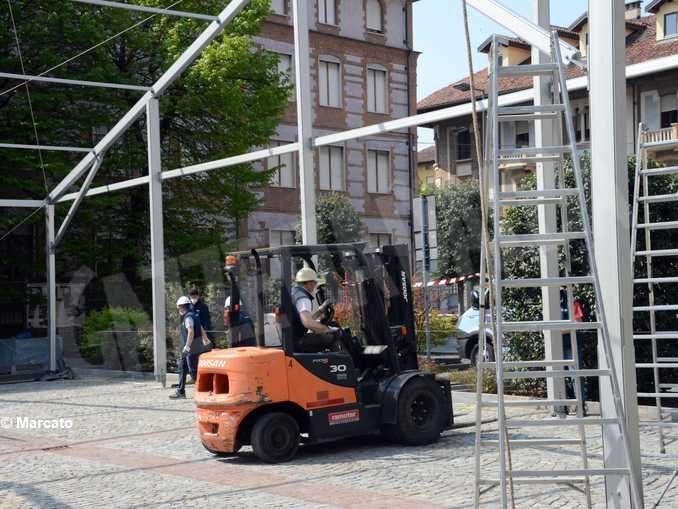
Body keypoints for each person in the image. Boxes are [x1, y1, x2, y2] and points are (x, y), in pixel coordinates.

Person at [170, 296, 210, 399]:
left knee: (193, 371)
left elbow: (191, 331)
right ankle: (181, 391)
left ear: (182, 307)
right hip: (190, 347)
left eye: (178, 308)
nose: (178, 310)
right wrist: (206, 340)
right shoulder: (194, 315)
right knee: (182, 368)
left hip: (191, 348)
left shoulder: (188, 317)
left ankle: (205, 391)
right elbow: (200, 328)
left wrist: (187, 346)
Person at [292, 267, 335, 336]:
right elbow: (307, 322)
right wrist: (327, 330)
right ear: (309, 283)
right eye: (315, 282)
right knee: (333, 338)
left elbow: (304, 318)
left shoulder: (294, 292)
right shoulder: (303, 298)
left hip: (291, 336)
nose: (315, 285)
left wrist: (320, 310)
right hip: (297, 339)